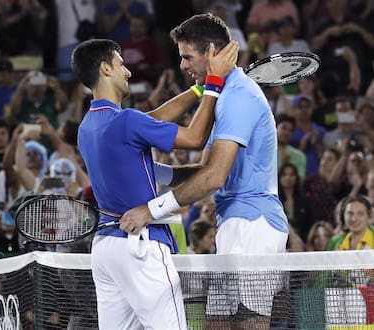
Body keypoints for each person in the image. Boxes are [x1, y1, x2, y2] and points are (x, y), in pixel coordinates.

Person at [121, 13, 289, 330]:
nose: (183, 65)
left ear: (211, 52)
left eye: (187, 57)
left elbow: (214, 178)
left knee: (249, 324)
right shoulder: (223, 95)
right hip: (233, 222)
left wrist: (150, 211)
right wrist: (154, 171)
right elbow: (205, 170)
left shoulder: (239, 98)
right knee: (215, 323)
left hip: (253, 225)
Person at [72, 34, 238, 329]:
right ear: (105, 69)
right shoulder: (127, 122)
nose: (129, 72)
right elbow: (195, 138)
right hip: (140, 247)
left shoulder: (89, 126)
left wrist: (198, 90)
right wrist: (214, 83)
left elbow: (152, 119)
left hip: (106, 251)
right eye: (121, 65)